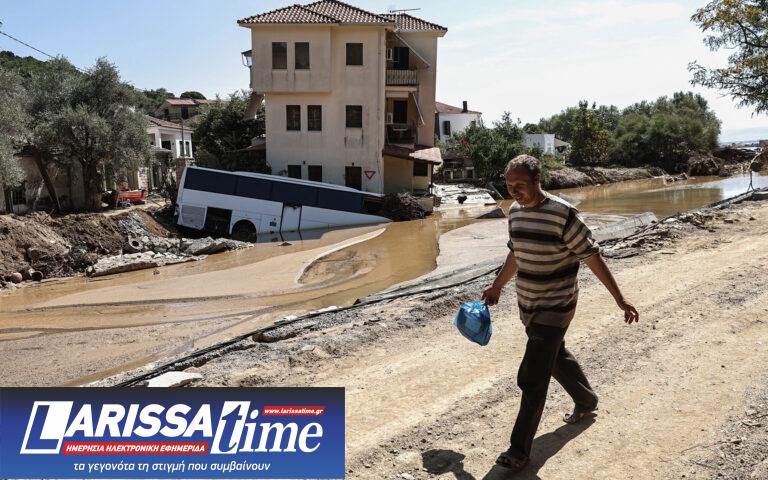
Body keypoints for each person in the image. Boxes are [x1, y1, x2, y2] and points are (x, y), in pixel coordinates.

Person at [481, 154, 639, 472]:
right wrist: (497, 286)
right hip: (528, 306)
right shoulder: (513, 212)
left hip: (557, 305)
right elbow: (516, 253)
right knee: (554, 356)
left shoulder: (563, 214)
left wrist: (619, 299)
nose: (514, 191)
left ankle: (519, 450)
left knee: (532, 377)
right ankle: (586, 400)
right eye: (509, 185)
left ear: (538, 181)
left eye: (521, 185)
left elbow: (592, 257)